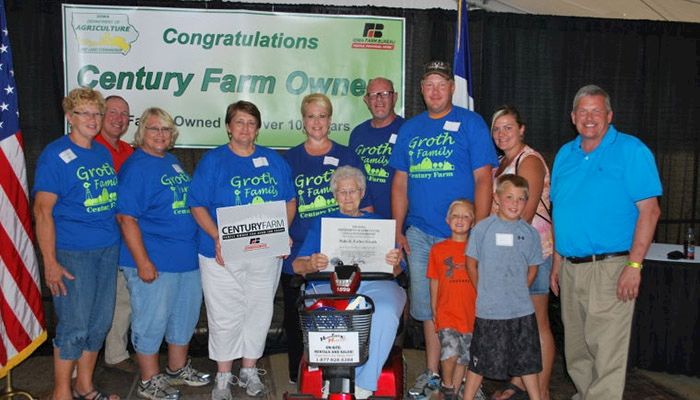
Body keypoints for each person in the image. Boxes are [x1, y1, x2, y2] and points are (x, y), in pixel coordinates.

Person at [388, 60, 498, 398]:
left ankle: (467, 378)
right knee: (429, 307)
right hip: (420, 234)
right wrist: (397, 229)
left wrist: (478, 230)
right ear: (422, 90)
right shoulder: (410, 129)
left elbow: (484, 178)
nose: (435, 90)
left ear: (452, 88)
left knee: (465, 307)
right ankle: (434, 374)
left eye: (441, 83)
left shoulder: (471, 124)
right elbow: (400, 183)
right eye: (429, 84)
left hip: (462, 236)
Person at [550, 85, 662, 399]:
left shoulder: (631, 151)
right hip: (571, 268)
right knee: (577, 354)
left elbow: (650, 211)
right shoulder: (565, 154)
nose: (589, 118)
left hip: (611, 268)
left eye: (596, 111)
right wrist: (557, 263)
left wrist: (635, 265)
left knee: (607, 354)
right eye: (582, 111)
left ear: (609, 116)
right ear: (573, 117)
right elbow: (562, 210)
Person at [188, 100, 296, 400]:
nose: (245, 128)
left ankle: (248, 370)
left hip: (264, 252)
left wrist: (282, 232)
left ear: (258, 128)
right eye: (239, 122)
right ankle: (223, 376)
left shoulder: (273, 160)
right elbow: (196, 204)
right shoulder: (213, 161)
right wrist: (217, 237)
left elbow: (289, 200)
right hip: (220, 253)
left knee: (259, 310)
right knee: (224, 313)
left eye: (251, 122)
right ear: (228, 127)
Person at [33, 87, 120, 400]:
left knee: (99, 323)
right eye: (85, 113)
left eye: (97, 113)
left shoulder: (100, 152)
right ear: (70, 117)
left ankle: (85, 386)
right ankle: (62, 392)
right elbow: (42, 212)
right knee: (75, 325)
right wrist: (51, 263)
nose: (93, 119)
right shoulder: (55, 156)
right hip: (74, 253)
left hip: (107, 249)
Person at [117, 108, 210, 400]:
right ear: (142, 132)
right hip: (154, 260)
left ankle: (176, 368)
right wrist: (143, 262)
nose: (160, 134)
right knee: (151, 321)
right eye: (154, 129)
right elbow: (126, 218)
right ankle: (148, 379)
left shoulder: (170, 161)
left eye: (166, 130)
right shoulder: (136, 167)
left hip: (185, 259)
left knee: (184, 318)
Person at [292, 166, 406, 399]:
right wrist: (312, 263)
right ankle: (330, 376)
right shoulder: (321, 223)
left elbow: (396, 270)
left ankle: (364, 383)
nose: (347, 197)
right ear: (334, 195)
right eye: (342, 192)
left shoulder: (379, 223)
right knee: (323, 310)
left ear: (362, 193)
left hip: (374, 281)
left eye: (352, 191)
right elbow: (297, 266)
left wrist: (394, 261)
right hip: (330, 283)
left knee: (383, 310)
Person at [282, 93, 370, 384]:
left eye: (322, 116)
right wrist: (282, 237)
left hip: (342, 251)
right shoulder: (289, 159)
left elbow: (364, 205)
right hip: (300, 250)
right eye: (310, 116)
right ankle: (300, 374)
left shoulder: (347, 156)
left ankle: (342, 374)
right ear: (303, 120)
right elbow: (282, 205)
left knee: (341, 314)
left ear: (330, 120)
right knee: (298, 317)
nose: (316, 122)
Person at [489, 105, 555, 400]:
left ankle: (541, 390)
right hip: (507, 254)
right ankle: (519, 382)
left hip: (531, 252)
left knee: (537, 321)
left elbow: (524, 216)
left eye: (508, 127)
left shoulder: (530, 161)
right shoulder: (501, 163)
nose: (501, 134)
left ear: (522, 129)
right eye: (497, 129)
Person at [463, 174, 544, 400]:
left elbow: (533, 267)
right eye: (509, 197)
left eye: (521, 199)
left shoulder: (530, 234)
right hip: (489, 311)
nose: (515, 203)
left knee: (527, 361)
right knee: (479, 361)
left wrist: (519, 289)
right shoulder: (482, 229)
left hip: (521, 311)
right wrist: (483, 289)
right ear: (497, 198)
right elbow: (471, 263)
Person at [426, 199, 483, 400]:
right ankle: (447, 386)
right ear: (447, 220)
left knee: (463, 357)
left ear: (473, 222)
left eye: (466, 216)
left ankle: (454, 393)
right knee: (449, 351)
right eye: (456, 215)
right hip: (447, 311)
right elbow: (434, 280)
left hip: (471, 313)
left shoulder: (477, 250)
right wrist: (434, 307)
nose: (460, 220)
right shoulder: (438, 250)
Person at [96, 95, 137, 374]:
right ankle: (75, 370)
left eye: (124, 114)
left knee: (123, 299)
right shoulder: (89, 147)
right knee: (90, 304)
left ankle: (115, 353)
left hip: (123, 238)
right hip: (93, 240)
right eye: (113, 112)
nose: (119, 118)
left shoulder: (130, 152)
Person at [348, 77, 404, 219]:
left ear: (395, 97)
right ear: (366, 100)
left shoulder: (407, 131)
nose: (379, 100)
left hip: (398, 223)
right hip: (363, 221)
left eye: (385, 93)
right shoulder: (357, 134)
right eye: (373, 95)